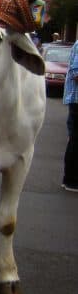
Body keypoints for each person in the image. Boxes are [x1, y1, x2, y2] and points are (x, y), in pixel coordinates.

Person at [62, 39, 78, 192]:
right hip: (76, 100)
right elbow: (75, 72)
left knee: (74, 139)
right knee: (75, 140)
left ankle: (70, 179)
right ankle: (71, 181)